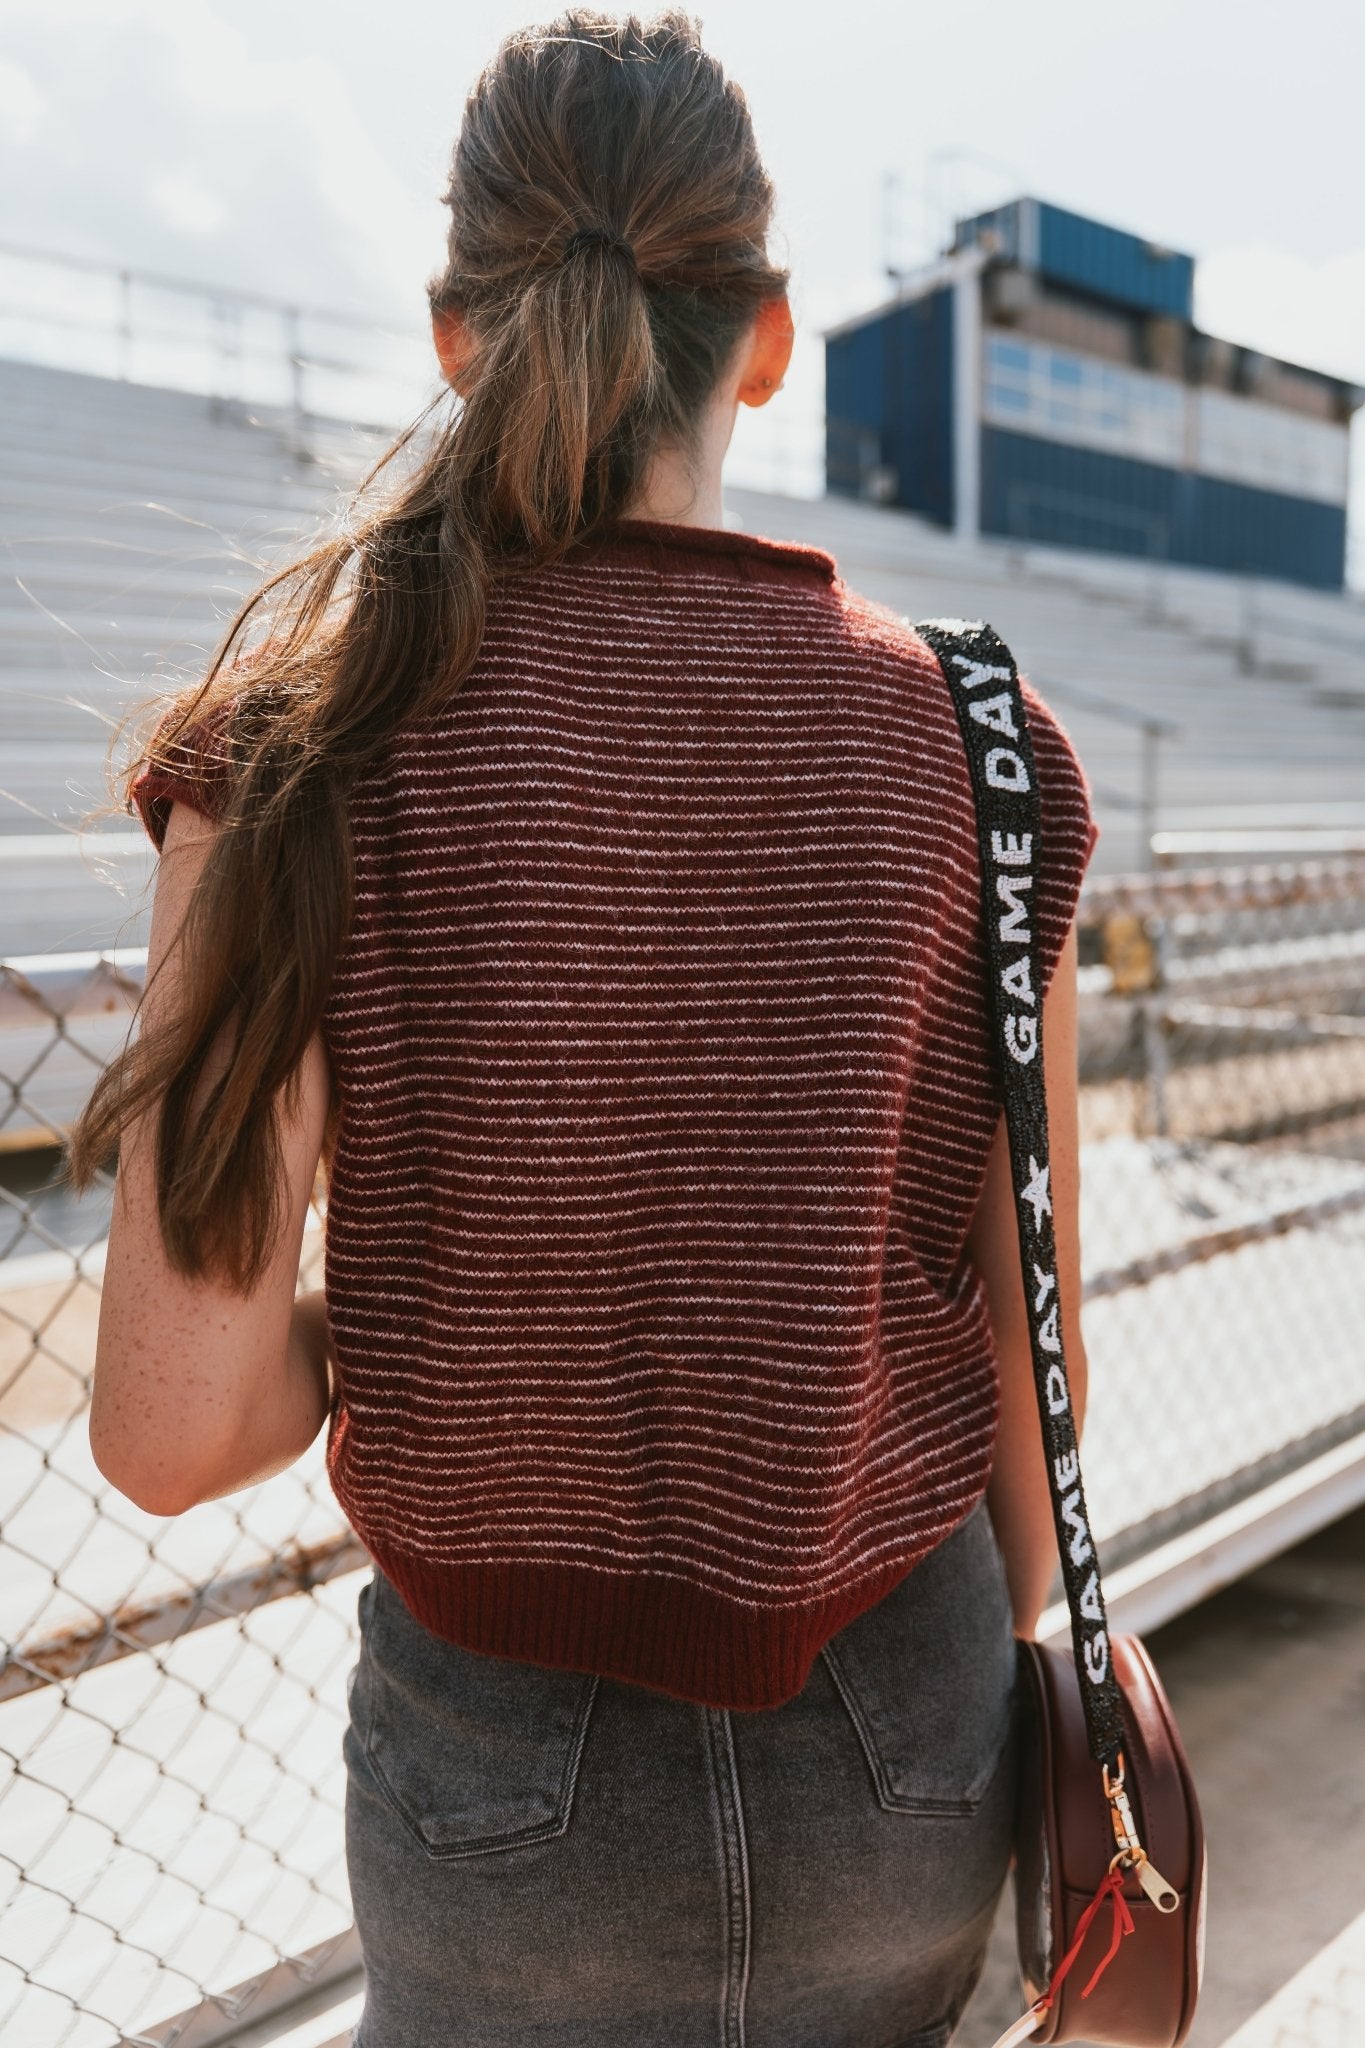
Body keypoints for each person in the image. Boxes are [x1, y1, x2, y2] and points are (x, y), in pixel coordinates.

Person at [69, 10, 1098, 2045]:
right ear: (770, 337)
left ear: (457, 329)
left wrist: (443, 1312)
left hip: (499, 1798)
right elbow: (1021, 1369)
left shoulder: (293, 755)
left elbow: (172, 1431)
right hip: (907, 1741)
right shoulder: (984, 750)